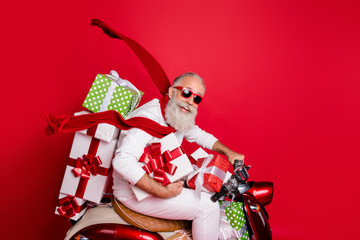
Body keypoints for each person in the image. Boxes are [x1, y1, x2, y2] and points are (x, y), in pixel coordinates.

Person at [112, 72, 245, 240]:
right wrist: (161, 191)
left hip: (160, 179)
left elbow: (198, 135)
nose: (190, 101)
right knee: (208, 206)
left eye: (197, 98)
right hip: (133, 193)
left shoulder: (174, 114)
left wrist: (229, 152)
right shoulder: (148, 118)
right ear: (171, 91)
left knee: (209, 183)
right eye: (187, 92)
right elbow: (122, 161)